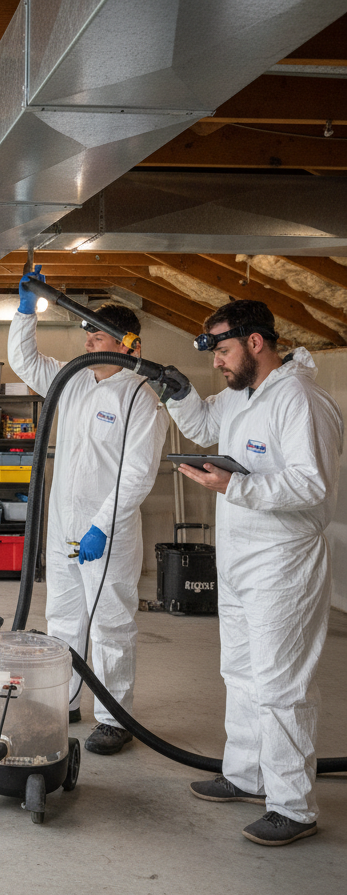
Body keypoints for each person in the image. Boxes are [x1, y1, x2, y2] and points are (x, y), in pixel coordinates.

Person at [164, 299, 343, 846]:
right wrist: (177, 395)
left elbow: (313, 484)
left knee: (281, 685)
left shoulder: (299, 400)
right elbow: (201, 423)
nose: (217, 361)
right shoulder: (241, 396)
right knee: (239, 673)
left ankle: (293, 806)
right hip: (240, 557)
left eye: (222, 350)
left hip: (283, 562)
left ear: (256, 343)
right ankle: (245, 775)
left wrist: (233, 485)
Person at [8, 268, 168, 754]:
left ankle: (115, 717)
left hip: (107, 531)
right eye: (86, 329)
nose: (88, 337)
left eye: (97, 330)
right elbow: (23, 361)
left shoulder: (141, 397)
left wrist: (101, 525)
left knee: (110, 624)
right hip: (62, 527)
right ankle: (67, 698)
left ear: (127, 342)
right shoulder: (72, 381)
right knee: (62, 617)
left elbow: (137, 474)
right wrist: (24, 313)